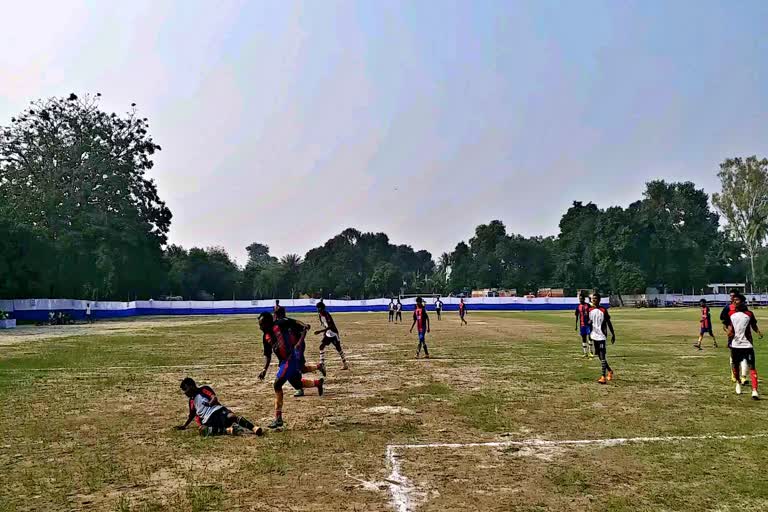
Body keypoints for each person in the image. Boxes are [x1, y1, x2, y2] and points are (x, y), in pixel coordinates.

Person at [258, 312, 324, 429]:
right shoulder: (266, 337)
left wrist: (303, 330)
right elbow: (268, 355)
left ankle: (278, 418)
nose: (260, 327)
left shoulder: (280, 324)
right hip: (284, 362)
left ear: (268, 323)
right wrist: (264, 369)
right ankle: (317, 383)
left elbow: (296, 323)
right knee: (297, 384)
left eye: (262, 324)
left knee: (277, 384)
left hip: (290, 359)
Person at [176, 377, 262, 436]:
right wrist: (184, 425)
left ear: (192, 386)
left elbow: (214, 397)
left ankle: (253, 428)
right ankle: (227, 431)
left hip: (217, 411)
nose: (185, 393)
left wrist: (210, 403)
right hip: (208, 419)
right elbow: (191, 415)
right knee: (202, 430)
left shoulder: (203, 389)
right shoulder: (191, 401)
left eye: (185, 389)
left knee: (232, 416)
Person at [274, 306, 323, 397]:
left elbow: (300, 326)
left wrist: (303, 329)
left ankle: (301, 388)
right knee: (299, 368)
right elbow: (299, 323)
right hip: (292, 349)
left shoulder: (285, 322)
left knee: (297, 369)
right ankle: (317, 372)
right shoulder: (283, 323)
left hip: (297, 348)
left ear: (277, 314)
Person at [723, 294, 763, 399]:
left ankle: (754, 390)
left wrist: (758, 332)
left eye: (737, 300)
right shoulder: (730, 313)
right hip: (735, 345)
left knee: (752, 367)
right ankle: (738, 383)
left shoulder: (749, 314)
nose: (735, 302)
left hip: (747, 345)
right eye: (734, 300)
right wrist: (728, 332)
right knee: (735, 367)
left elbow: (753, 325)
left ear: (742, 302)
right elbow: (725, 325)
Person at [721, 290, 748, 384]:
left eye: (734, 296)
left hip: (744, 336)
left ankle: (744, 376)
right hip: (733, 336)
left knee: (744, 356)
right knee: (733, 355)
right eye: (731, 296)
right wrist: (728, 331)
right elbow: (724, 322)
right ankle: (734, 373)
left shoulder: (744, 308)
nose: (732, 298)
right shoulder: (727, 308)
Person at [588, 293, 616, 384]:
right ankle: (610, 371)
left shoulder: (603, 310)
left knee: (602, 355)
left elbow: (609, 322)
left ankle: (603, 377)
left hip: (601, 336)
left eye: (595, 298)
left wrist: (613, 334)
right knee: (599, 356)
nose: (594, 300)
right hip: (594, 335)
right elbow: (590, 323)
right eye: (593, 298)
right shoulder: (590, 310)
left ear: (599, 300)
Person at [314, 302, 349, 371]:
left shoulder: (326, 314)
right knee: (321, 346)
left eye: (319, 308)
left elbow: (330, 326)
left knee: (338, 349)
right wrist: (324, 333)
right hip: (328, 333)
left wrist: (320, 331)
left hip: (333, 333)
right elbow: (325, 325)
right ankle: (322, 364)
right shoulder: (320, 315)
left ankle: (345, 364)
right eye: (317, 308)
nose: (318, 309)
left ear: (322, 308)